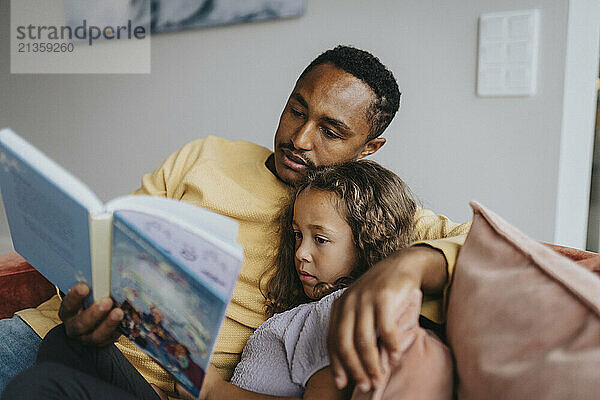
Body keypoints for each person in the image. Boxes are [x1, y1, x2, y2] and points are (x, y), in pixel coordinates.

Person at [0, 45, 470, 396]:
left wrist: (406, 268)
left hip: (166, 385)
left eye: (330, 131)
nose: (301, 139)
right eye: (296, 110)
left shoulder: (369, 210)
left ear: (368, 149)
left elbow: (479, 245)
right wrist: (80, 296)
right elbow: (109, 242)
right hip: (59, 333)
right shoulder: (206, 155)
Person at [1, 160, 427, 400]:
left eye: (321, 239)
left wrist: (212, 390)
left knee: (40, 386)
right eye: (297, 235)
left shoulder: (340, 309)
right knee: (64, 342)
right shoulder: (310, 307)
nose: (301, 252)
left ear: (370, 245)